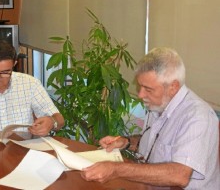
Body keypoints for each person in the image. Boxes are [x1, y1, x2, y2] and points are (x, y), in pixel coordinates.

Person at [81, 47, 220, 189]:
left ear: (173, 87)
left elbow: (179, 175)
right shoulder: (158, 104)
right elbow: (156, 144)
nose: (140, 95)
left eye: (148, 89)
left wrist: (116, 169)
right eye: (140, 87)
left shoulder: (197, 117)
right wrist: (126, 142)